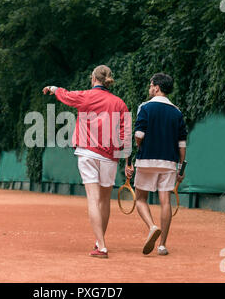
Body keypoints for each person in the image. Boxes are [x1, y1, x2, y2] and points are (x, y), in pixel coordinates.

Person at [43, 65, 131, 259]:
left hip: (87, 152)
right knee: (105, 199)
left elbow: (66, 95)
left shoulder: (86, 96)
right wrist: (128, 161)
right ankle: (100, 242)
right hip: (110, 155)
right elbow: (125, 134)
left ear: (93, 79)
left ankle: (102, 245)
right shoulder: (119, 103)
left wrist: (53, 88)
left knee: (93, 198)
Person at [125, 73, 187, 256]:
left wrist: (139, 148)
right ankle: (162, 245)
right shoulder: (177, 112)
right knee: (165, 201)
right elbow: (182, 144)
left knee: (141, 199)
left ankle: (152, 226)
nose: (149, 88)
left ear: (157, 87)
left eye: (151, 85)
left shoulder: (144, 107)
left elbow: (139, 136)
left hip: (146, 160)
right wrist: (181, 169)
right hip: (169, 162)